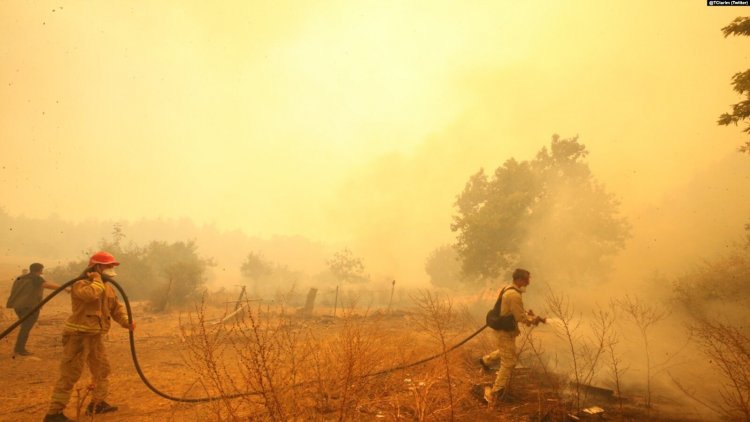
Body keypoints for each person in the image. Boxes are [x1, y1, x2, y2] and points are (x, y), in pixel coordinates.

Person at [44, 251, 135, 422]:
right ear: (96, 267)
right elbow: (90, 294)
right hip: (78, 337)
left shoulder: (107, 287)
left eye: (112, 266)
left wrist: (126, 322)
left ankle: (97, 404)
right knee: (70, 374)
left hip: (95, 337)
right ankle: (54, 414)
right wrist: (97, 279)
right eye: (108, 266)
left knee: (102, 371)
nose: (111, 269)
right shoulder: (81, 284)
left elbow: (116, 308)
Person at [479, 268, 544, 404]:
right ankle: (495, 393)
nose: (528, 282)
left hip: (505, 330)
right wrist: (532, 320)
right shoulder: (514, 295)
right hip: (505, 332)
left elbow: (515, 311)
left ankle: (485, 361)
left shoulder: (508, 289)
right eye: (527, 279)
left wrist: (529, 315)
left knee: (506, 352)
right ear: (519, 279)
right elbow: (520, 317)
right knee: (509, 362)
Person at [5, 263, 65, 356]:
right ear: (39, 270)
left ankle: (19, 348)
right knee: (26, 327)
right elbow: (47, 285)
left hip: (18, 306)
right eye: (42, 269)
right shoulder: (36, 278)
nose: (42, 271)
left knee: (24, 326)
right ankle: (19, 349)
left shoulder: (20, 277)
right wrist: (65, 288)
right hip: (30, 307)